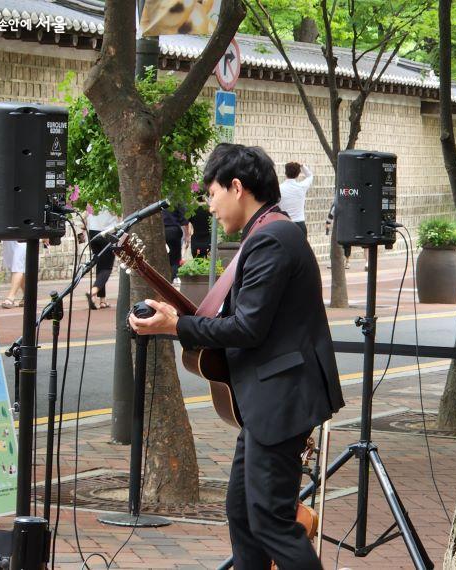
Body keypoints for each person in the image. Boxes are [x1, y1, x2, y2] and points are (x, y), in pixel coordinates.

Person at [129, 144, 344, 569]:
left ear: (237, 187)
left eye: (211, 194)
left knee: (271, 522)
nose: (210, 207)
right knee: (244, 515)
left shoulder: (272, 238)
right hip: (269, 400)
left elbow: (247, 328)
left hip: (281, 399)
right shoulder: (268, 233)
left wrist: (176, 326)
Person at [84, 207, 120, 310]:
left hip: (93, 232)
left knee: (100, 265)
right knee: (106, 268)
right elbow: (117, 213)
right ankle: (92, 292)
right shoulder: (113, 194)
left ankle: (102, 300)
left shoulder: (92, 193)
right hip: (108, 232)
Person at [279, 161, 313, 237]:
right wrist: (302, 166)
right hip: (300, 225)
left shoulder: (279, 189)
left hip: (284, 225)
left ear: (285, 173)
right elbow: (310, 176)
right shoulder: (301, 187)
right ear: (297, 175)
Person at [0, 240, 26, 308]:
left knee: (17, 265)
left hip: (24, 237)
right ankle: (28, 295)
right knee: (16, 266)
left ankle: (11, 297)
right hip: (9, 237)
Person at [325, 204, 351, 269]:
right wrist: (328, 223)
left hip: (346, 225)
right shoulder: (336, 203)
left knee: (346, 244)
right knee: (336, 244)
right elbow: (331, 214)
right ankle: (335, 262)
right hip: (338, 226)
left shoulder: (348, 203)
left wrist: (328, 223)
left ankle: (347, 261)